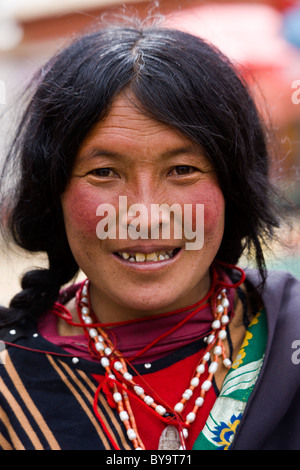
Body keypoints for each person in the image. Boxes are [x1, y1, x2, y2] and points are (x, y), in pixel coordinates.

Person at [0, 17, 299, 451]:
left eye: (182, 170)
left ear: (233, 187)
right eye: (104, 172)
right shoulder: (13, 383)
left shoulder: (287, 339)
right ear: (54, 192)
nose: (144, 216)